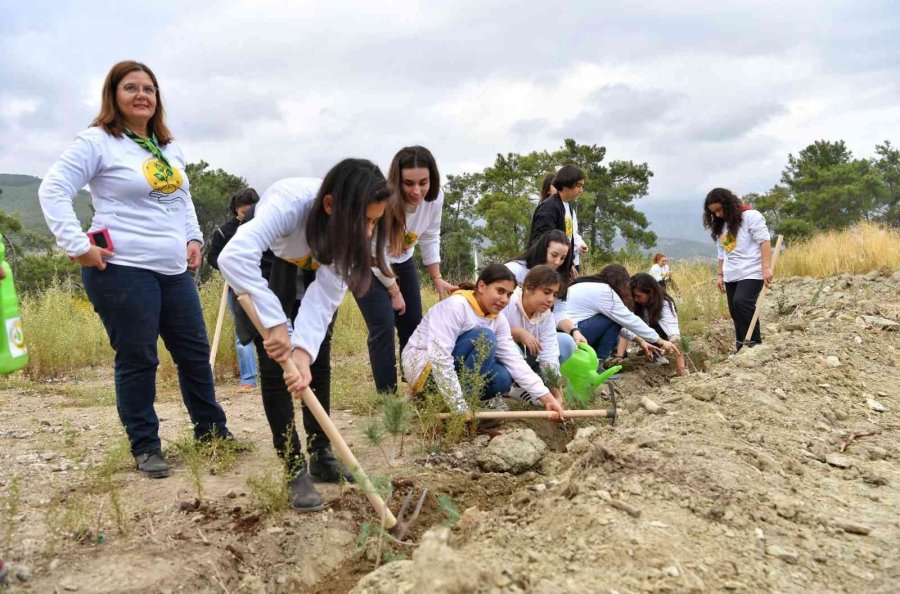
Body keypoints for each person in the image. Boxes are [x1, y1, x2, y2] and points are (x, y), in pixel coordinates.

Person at [38, 60, 232, 479]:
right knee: (139, 358)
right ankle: (146, 447)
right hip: (122, 269)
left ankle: (212, 432)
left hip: (172, 271)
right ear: (114, 95)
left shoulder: (167, 147)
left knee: (195, 354)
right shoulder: (97, 142)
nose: (142, 94)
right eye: (131, 88)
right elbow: (52, 188)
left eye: (149, 88)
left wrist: (193, 239)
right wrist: (77, 245)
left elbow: (182, 200)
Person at [218, 159, 391, 512]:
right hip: (267, 262)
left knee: (319, 355)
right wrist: (276, 322)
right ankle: (292, 464)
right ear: (330, 206)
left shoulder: (350, 238)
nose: (370, 232)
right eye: (366, 221)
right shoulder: (288, 205)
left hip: (315, 264)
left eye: (376, 221)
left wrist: (303, 353)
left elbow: (325, 297)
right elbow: (233, 257)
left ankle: (321, 453)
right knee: (274, 363)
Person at [355, 146, 458, 394]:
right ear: (396, 181)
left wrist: (437, 278)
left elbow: (430, 236)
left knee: (413, 324)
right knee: (383, 324)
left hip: (403, 261)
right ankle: (387, 396)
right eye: (408, 183)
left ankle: (415, 386)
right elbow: (371, 253)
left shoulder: (434, 199)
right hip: (367, 264)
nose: (416, 191)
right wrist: (393, 290)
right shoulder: (380, 200)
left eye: (423, 182)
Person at [401, 263, 565, 419]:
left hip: (452, 372)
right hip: (424, 368)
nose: (504, 300)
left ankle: (458, 401)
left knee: (503, 378)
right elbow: (440, 357)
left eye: (508, 294)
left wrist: (547, 398)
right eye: (500, 291)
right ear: (481, 286)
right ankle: (446, 402)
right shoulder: (456, 306)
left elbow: (515, 361)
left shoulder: (498, 319)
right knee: (485, 338)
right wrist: (459, 407)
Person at [560, 264, 680, 362]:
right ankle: (599, 363)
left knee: (612, 322)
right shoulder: (606, 292)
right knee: (613, 321)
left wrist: (641, 341)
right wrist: (660, 341)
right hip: (573, 335)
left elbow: (621, 326)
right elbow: (628, 321)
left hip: (563, 333)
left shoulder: (588, 284)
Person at [702, 188, 772, 351]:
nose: (718, 215)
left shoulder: (751, 216)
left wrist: (766, 268)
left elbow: (764, 242)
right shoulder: (721, 225)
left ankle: (754, 344)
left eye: (719, 210)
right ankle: (741, 346)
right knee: (735, 311)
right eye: (713, 212)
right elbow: (722, 252)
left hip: (752, 271)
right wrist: (720, 274)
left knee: (742, 303)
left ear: (728, 204)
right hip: (731, 273)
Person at [207, 187, 262, 391]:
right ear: (236, 210)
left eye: (252, 212)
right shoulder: (225, 232)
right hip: (236, 287)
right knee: (243, 333)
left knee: (276, 327)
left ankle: (282, 374)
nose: (248, 216)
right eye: (243, 212)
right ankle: (248, 379)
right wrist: (229, 267)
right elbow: (212, 257)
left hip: (264, 284)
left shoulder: (265, 226)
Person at [504, 229, 576, 363]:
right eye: (554, 255)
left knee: (566, 343)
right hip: (506, 336)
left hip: (537, 333)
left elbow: (559, 314)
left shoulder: (558, 280)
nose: (557, 262)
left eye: (563, 258)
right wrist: (518, 332)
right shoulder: (514, 270)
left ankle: (541, 372)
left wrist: (574, 330)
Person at [501, 265, 567, 404]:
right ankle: (513, 387)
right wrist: (519, 332)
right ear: (528, 288)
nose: (550, 299)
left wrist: (557, 391)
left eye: (554, 294)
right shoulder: (508, 302)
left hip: (529, 356)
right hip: (501, 356)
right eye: (546, 292)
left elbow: (549, 354)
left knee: (566, 343)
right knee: (513, 350)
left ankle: (536, 381)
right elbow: (491, 332)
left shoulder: (546, 315)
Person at [615, 273, 688, 376]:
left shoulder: (665, 305)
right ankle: (647, 352)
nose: (635, 299)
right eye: (633, 295)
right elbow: (627, 325)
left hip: (659, 338)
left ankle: (656, 353)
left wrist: (681, 369)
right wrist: (620, 356)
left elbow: (675, 337)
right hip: (642, 337)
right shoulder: (635, 303)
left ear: (651, 292)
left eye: (639, 296)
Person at [528, 166, 584, 277]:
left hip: (561, 269)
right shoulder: (549, 207)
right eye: (578, 186)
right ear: (566, 184)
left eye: (582, 186)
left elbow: (567, 238)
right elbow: (540, 241)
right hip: (547, 272)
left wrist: (569, 265)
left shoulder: (568, 207)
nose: (581, 190)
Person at [539, 173, 587, 274]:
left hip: (570, 260)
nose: (558, 188)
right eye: (555, 186)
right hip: (554, 264)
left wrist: (580, 245)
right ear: (548, 189)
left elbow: (571, 234)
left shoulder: (569, 208)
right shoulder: (546, 208)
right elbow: (543, 239)